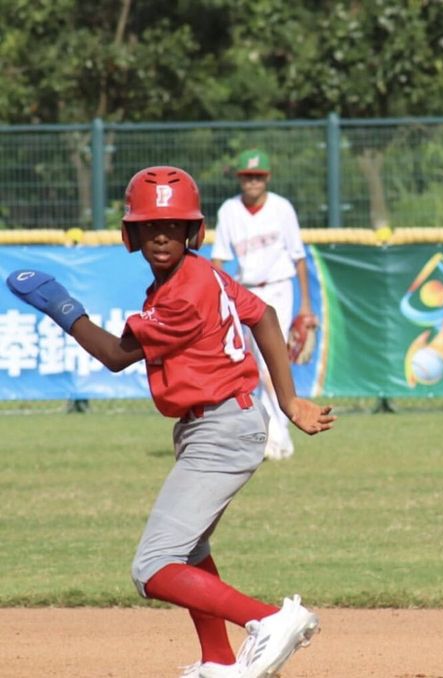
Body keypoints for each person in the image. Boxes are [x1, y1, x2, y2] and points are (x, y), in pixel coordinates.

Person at [6, 165, 335, 678]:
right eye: (150, 225)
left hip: (222, 429)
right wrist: (289, 402)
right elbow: (264, 315)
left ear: (193, 232)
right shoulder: (203, 273)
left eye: (174, 225)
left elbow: (116, 355)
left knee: (154, 567)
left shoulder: (184, 292)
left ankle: (270, 620)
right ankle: (218, 659)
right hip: (219, 424)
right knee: (191, 549)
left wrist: (60, 305)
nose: (162, 235)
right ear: (131, 235)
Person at [211, 148, 316, 462]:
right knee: (259, 366)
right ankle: (272, 435)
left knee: (272, 363)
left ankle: (280, 438)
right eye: (247, 177)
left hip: (279, 289)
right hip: (245, 292)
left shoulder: (282, 208)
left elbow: (299, 258)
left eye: (257, 176)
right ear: (240, 179)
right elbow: (218, 260)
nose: (252, 182)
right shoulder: (229, 210)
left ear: (267, 178)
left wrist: (306, 307)